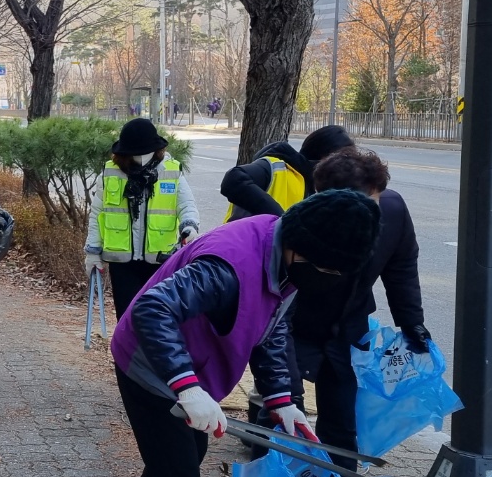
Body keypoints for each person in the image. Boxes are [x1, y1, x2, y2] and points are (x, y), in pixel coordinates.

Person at [107, 189, 381, 477]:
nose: (330, 280)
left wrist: (282, 401)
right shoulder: (230, 265)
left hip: (190, 369)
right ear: (305, 252)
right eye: (331, 271)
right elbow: (154, 309)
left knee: (185, 454)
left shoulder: (286, 263)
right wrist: (187, 386)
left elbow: (271, 329)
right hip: (150, 367)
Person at [282, 147, 430, 453]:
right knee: (282, 413)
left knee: (341, 421)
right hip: (296, 328)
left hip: (349, 329)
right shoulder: (306, 224)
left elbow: (401, 267)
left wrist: (411, 320)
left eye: (371, 201)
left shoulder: (393, 210)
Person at [84, 118, 200, 320]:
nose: (138, 157)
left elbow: (186, 205)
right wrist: (92, 252)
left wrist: (189, 227)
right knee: (127, 319)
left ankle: (150, 353)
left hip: (159, 260)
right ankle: (127, 352)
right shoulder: (112, 172)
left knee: (156, 318)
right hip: (122, 262)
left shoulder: (170, 171)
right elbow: (97, 214)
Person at [219, 125, 354, 221]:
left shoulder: (318, 187)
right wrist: (282, 220)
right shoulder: (276, 168)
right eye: (343, 160)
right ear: (325, 156)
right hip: (238, 254)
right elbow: (233, 180)